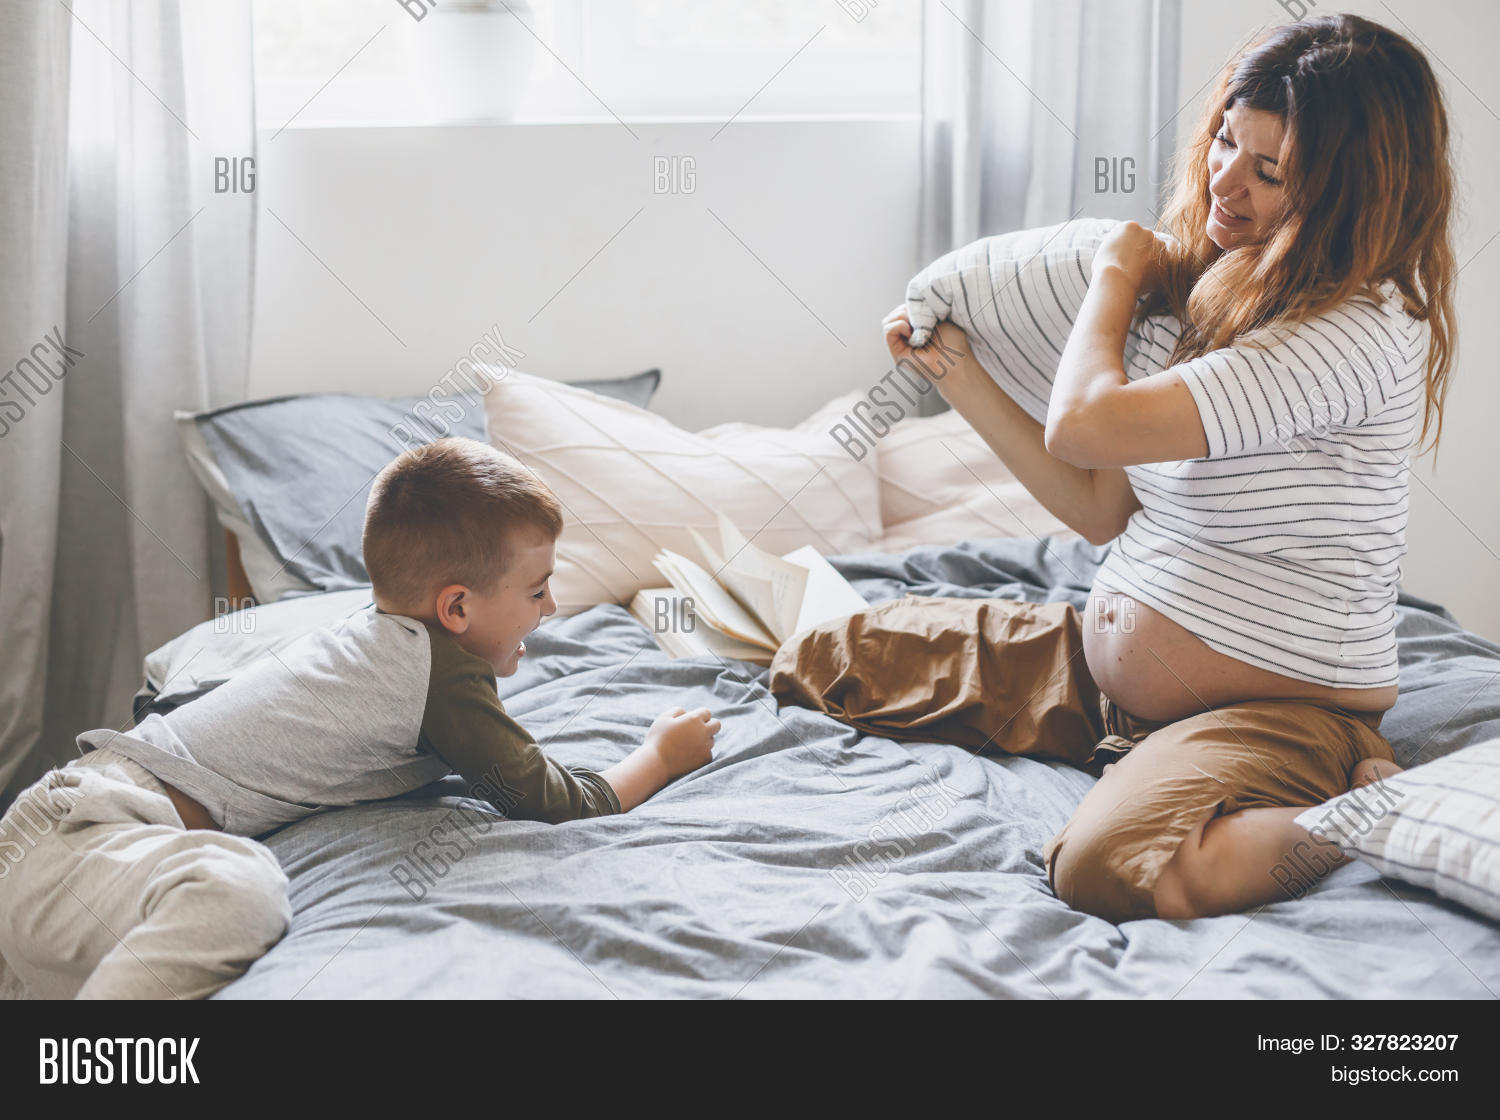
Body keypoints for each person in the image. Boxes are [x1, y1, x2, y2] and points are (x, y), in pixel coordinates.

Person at [773, 13, 1454, 923]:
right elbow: (1097, 508)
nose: (1223, 182)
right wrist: (954, 373)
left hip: (1277, 709)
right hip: (1106, 691)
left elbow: (1084, 424)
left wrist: (1115, 277)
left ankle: (1360, 806)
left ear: (1349, 196)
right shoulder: (1226, 284)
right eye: (1224, 141)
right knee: (824, 657)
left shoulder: (1355, 336)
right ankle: (1145, 754)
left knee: (1103, 865)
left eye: (1269, 171)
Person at [0, 437, 719, 998]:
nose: (552, 609)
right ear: (457, 608)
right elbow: (549, 799)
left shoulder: (377, 634)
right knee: (238, 890)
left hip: (67, 836)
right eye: (537, 590)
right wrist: (660, 753)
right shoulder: (439, 670)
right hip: (85, 835)